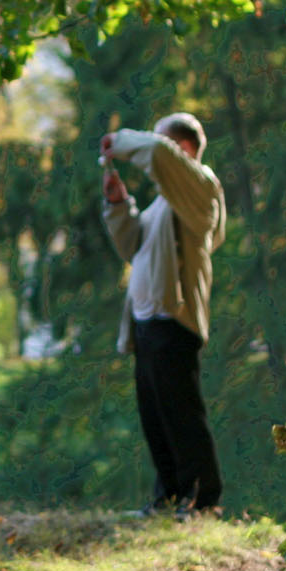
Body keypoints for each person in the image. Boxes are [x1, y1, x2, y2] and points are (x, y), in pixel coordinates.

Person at [101, 113, 226, 520]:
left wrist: (118, 141)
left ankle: (203, 500)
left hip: (175, 320)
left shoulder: (202, 186)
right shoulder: (161, 204)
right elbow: (132, 246)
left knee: (182, 414)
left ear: (184, 150)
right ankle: (169, 498)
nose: (158, 152)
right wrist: (119, 205)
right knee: (156, 418)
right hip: (146, 322)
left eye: (168, 145)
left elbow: (154, 151)